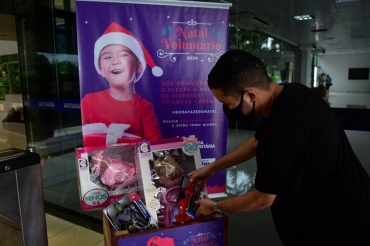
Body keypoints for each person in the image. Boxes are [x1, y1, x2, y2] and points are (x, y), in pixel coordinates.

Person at [189, 49, 370, 245]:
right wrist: (212, 168)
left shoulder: (283, 131)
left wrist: (214, 205)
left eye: (227, 103)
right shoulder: (292, 93)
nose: (226, 109)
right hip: (351, 199)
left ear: (250, 95)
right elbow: (256, 141)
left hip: (336, 226)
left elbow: (262, 199)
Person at [81, 22, 163, 146]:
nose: (115, 61)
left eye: (123, 55)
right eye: (107, 57)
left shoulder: (144, 108)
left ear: (138, 66)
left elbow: (156, 146)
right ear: (101, 69)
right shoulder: (89, 102)